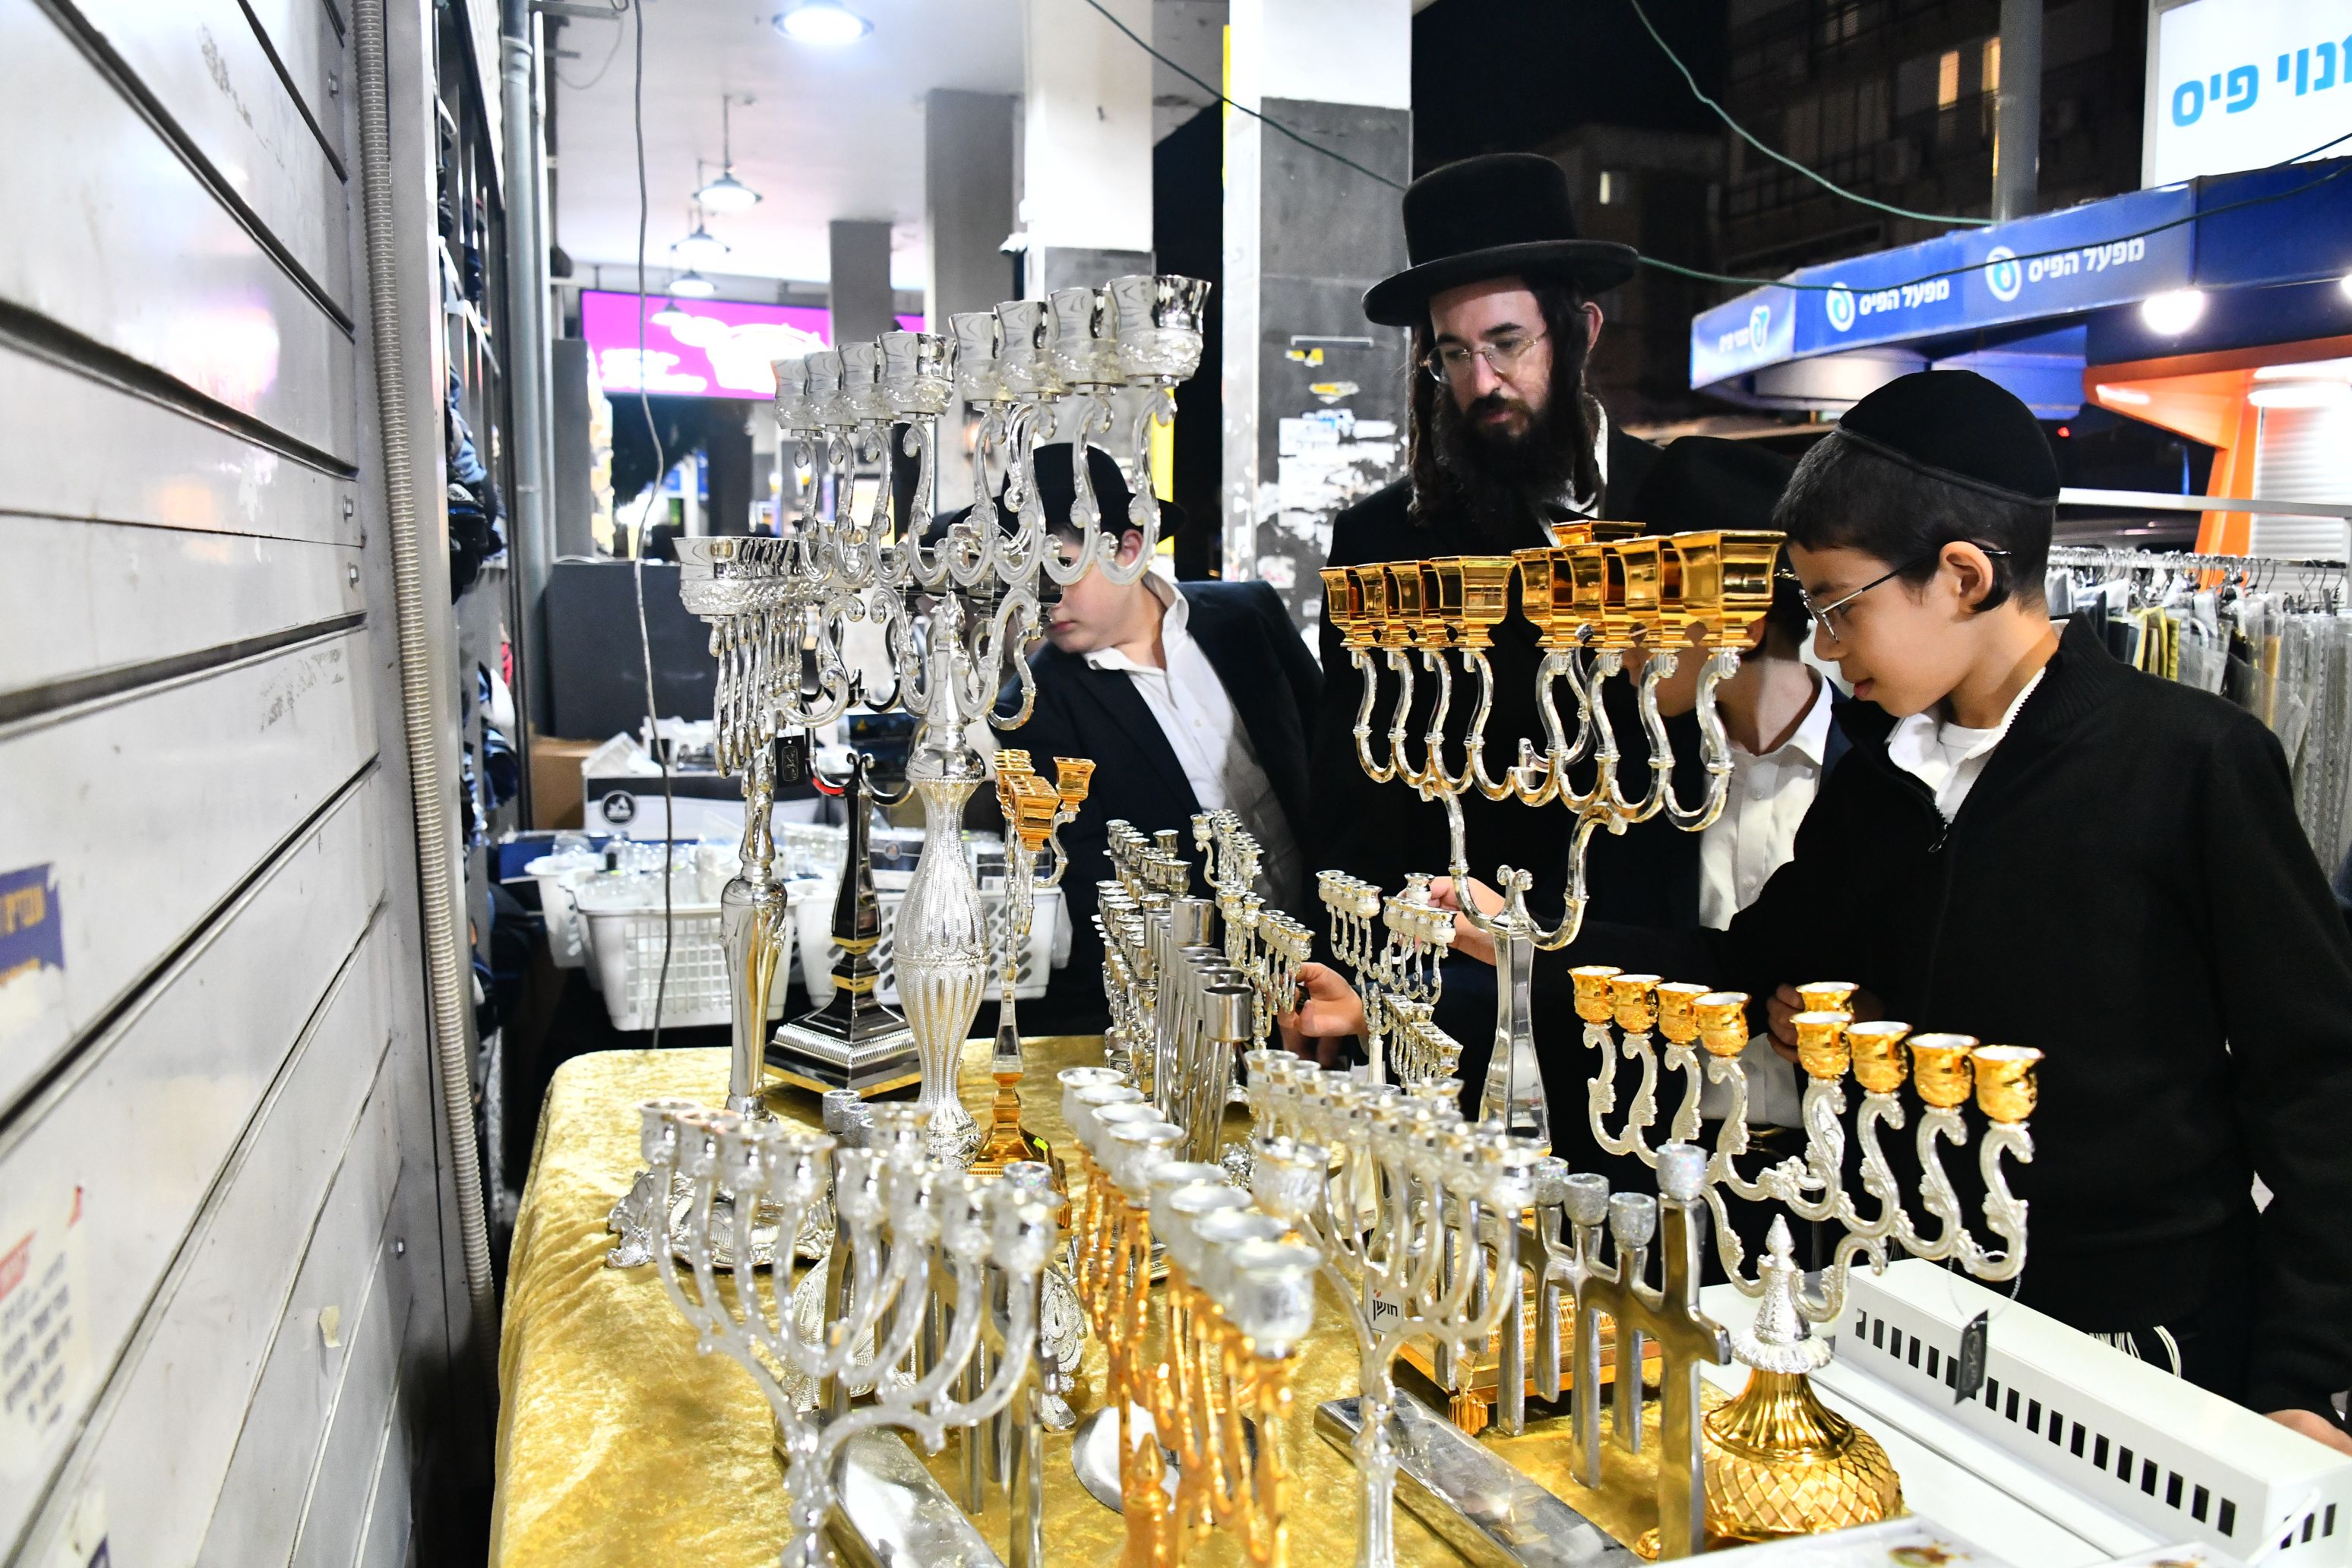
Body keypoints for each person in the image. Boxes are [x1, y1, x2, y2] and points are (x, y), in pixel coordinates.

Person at [1293, 370, 2352, 1450]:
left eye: (1841, 608)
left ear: (1963, 576)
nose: (1828, 648)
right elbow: (1747, 966)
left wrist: (2305, 1375)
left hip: (2142, 1336)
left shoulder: (2189, 762)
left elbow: (2319, 1080)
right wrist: (1531, 945)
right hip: (1921, 1307)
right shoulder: (1887, 782)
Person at [1306, 152, 1680, 1080]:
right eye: (1453, 354)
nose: (1482, 384)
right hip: (1439, 1009)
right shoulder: (1382, 541)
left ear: (1581, 330)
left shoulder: (1682, 512)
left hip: (1644, 1001)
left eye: (1508, 343)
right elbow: (1354, 794)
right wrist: (1359, 974)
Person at [982, 444, 1320, 1034]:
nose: (1041, 599)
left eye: (1059, 567)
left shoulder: (1247, 617)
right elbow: (1096, 893)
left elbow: (1331, 766)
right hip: (1198, 1010)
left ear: (1129, 549)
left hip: (1333, 958)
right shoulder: (1030, 709)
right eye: (1022, 577)